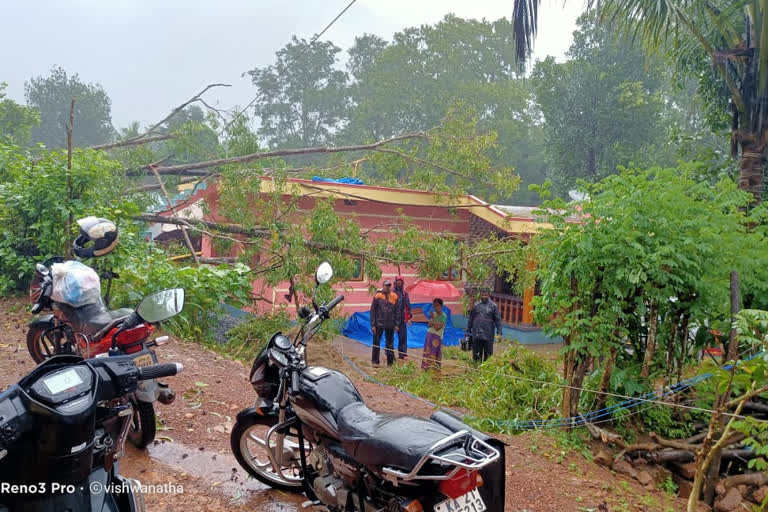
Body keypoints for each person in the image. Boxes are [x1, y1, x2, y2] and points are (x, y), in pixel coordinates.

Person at [467, 288, 502, 362]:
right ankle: (476, 370)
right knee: (476, 356)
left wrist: (499, 333)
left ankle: (486, 371)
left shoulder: (493, 306)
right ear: (480, 295)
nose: (484, 297)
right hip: (476, 334)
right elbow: (471, 319)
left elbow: (498, 320)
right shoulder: (476, 305)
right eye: (482, 295)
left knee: (488, 356)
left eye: (486, 295)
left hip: (488, 335)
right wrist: (467, 331)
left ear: (489, 295)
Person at [370, 279, 399, 367]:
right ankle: (375, 361)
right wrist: (373, 325)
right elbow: (373, 311)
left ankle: (390, 363)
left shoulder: (394, 296)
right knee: (376, 343)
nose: (387, 287)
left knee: (390, 344)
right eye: (386, 285)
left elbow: (397, 311)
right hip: (379, 323)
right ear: (383, 286)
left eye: (389, 286)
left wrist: (397, 324)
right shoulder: (378, 296)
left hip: (390, 324)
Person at [422, 298, 446, 371]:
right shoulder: (433, 313)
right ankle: (426, 367)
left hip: (437, 337)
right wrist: (431, 320)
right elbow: (429, 325)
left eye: (437, 305)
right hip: (429, 336)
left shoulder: (443, 316)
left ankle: (435, 368)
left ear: (441, 306)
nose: (436, 307)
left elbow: (437, 327)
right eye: (434, 306)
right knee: (428, 352)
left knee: (435, 352)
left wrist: (433, 319)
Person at [393, 275, 412, 360]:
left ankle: (402, 354)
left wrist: (409, 318)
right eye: (397, 280)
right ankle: (389, 353)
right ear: (395, 282)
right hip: (393, 318)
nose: (399, 282)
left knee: (403, 337)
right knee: (390, 336)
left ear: (402, 282)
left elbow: (408, 306)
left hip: (402, 318)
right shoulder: (392, 293)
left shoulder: (405, 294)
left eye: (400, 281)